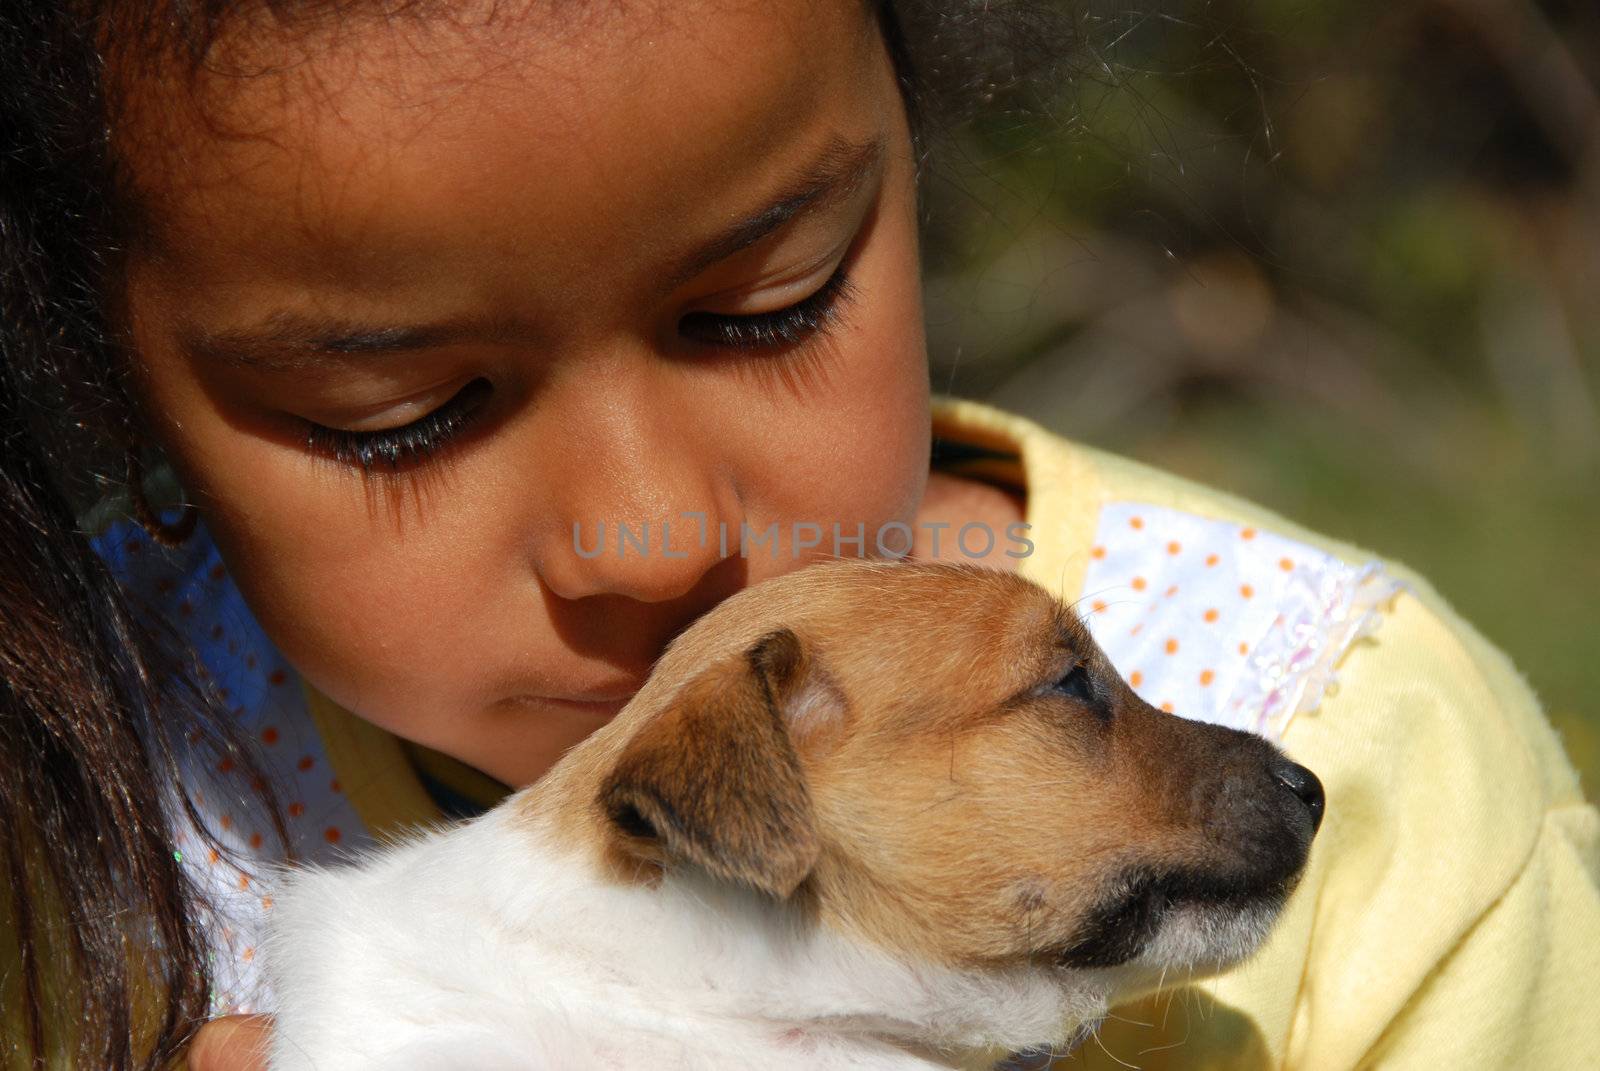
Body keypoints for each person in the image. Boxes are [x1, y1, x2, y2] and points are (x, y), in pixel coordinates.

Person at [1, 2, 1595, 1069]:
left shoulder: (1391, 769)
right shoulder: (67, 804)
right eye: (398, 410)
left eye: (764, 306)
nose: (651, 532)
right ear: (111, 381)